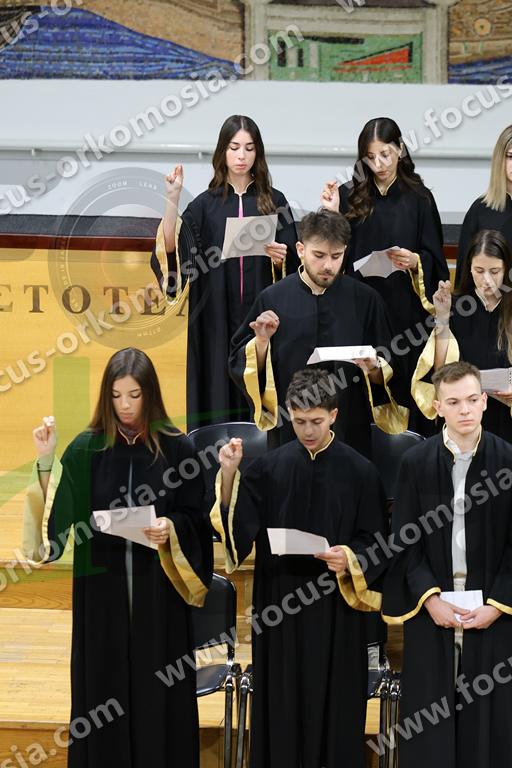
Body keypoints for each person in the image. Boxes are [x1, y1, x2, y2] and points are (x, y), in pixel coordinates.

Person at [22, 348, 213, 768]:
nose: (125, 405)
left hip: (158, 594)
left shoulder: (177, 449)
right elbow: (58, 521)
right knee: (101, 689)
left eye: (134, 395)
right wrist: (46, 459)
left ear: (150, 395)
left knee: (159, 687)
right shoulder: (87, 448)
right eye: (116, 395)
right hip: (102, 595)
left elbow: (197, 517)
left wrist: (171, 528)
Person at [212, 368, 388, 768]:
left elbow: (379, 541)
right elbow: (237, 530)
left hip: (337, 606)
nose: (307, 430)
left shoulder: (361, 472)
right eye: (299, 421)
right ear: (289, 413)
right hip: (280, 604)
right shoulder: (267, 469)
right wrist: (229, 474)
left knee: (336, 702)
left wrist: (351, 557)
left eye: (316, 421)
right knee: (282, 703)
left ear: (334, 415)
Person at [382, 361, 512, 768]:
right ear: (437, 407)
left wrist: (498, 604)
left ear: (485, 401)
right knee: (429, 728)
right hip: (433, 611)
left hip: (492, 612)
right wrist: (430, 598)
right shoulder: (415, 463)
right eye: (453, 402)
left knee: (489, 726)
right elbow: (405, 540)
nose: (465, 410)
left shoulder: (508, 460)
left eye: (472, 399)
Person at [151, 114, 299, 429]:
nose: (241, 156)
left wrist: (279, 260)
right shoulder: (204, 207)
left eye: (249, 148)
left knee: (263, 397)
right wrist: (172, 199)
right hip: (215, 322)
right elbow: (173, 253)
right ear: (222, 152)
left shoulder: (275, 202)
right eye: (234, 148)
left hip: (261, 323)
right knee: (216, 401)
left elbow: (294, 269)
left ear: (258, 153)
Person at [229, 207, 409, 459]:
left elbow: (394, 371)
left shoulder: (366, 300)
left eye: (336, 256)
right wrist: (260, 343)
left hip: (349, 430)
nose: (328, 265)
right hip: (289, 430)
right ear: (300, 250)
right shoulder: (272, 298)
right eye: (319, 255)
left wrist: (374, 369)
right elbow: (239, 366)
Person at [321, 116, 448, 434]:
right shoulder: (350, 195)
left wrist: (416, 261)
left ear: (400, 149)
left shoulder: (419, 198)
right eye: (370, 157)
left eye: (385, 155)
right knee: (362, 391)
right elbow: (331, 255)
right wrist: (332, 214)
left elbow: (435, 259)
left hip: (406, 313)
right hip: (361, 311)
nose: (379, 164)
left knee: (404, 387)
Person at [412, 229, 512, 442]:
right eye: (479, 270)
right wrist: (442, 317)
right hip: (465, 414)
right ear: (469, 268)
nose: (487, 280)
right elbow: (440, 369)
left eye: (495, 271)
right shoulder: (457, 306)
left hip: (506, 414)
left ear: (506, 269)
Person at [455, 125, 512, 287]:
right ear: (500, 159)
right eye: (510, 156)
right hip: (489, 302)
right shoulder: (479, 211)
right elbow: (463, 278)